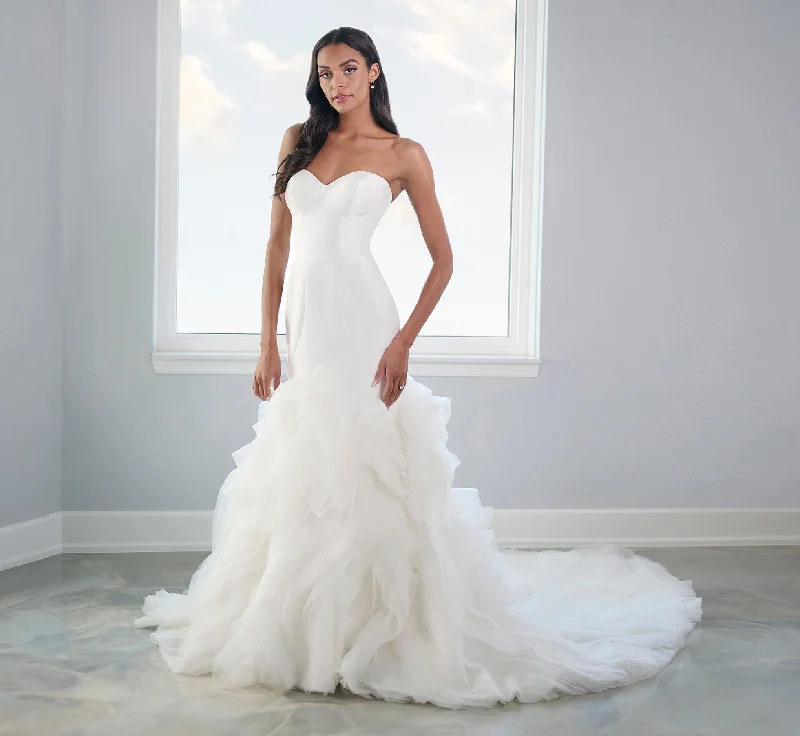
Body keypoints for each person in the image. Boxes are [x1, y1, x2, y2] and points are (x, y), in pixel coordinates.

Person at [133, 26, 702, 709]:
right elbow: (277, 248)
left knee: (372, 464)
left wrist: (401, 341)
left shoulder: (404, 154)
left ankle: (385, 632)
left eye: (349, 69)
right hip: (308, 330)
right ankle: (305, 631)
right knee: (307, 462)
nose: (337, 82)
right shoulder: (299, 141)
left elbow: (444, 260)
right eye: (326, 72)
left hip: (368, 325)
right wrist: (266, 341)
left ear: (373, 73)